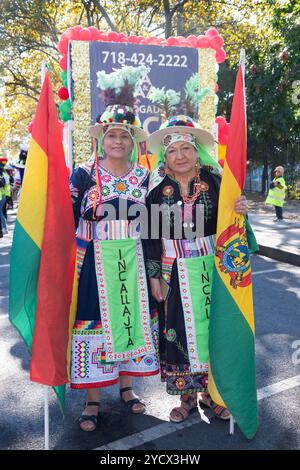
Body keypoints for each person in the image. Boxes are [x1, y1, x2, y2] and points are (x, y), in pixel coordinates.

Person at [144, 85, 249, 423]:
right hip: (174, 272)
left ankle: (213, 395)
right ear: (166, 156)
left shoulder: (218, 183)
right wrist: (155, 277)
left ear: (196, 151)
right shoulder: (158, 194)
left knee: (214, 330)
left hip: (213, 268)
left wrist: (241, 209)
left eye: (186, 148)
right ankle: (186, 397)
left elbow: (233, 226)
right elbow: (151, 237)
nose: (180, 156)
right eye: (173, 150)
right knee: (177, 332)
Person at [69, 65, 159, 432]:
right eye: (112, 135)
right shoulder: (84, 173)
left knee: (131, 318)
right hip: (94, 261)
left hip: (135, 260)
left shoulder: (145, 175)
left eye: (124, 135)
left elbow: (159, 223)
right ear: (101, 139)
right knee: (95, 322)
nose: (118, 142)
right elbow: (64, 217)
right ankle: (93, 399)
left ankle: (127, 388)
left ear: (132, 140)